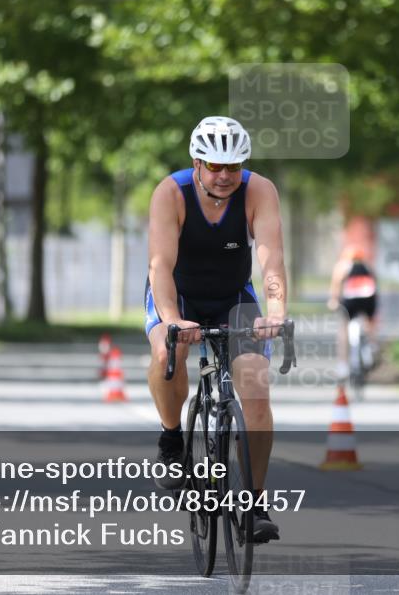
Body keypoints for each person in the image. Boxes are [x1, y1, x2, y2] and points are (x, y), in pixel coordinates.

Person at [144, 115, 287, 543]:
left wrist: (275, 311)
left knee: (255, 386)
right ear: (197, 162)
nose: (225, 176)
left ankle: (256, 502)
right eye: (214, 166)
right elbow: (159, 266)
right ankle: (172, 440)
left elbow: (272, 260)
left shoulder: (258, 190)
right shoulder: (172, 192)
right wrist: (172, 320)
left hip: (232, 298)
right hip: (178, 295)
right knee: (167, 353)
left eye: (233, 167)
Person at [327, 246, 379, 380]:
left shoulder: (342, 266)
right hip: (369, 298)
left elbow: (336, 284)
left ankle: (343, 365)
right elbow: (375, 283)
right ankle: (372, 346)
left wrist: (333, 300)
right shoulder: (367, 266)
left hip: (351, 300)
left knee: (343, 328)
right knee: (369, 321)